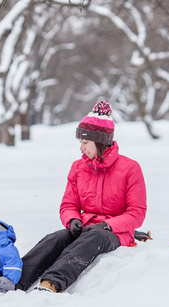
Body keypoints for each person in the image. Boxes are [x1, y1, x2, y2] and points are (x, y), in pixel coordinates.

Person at [16, 100, 147, 293]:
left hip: (114, 233)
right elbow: (68, 205)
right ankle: (15, 280)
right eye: (80, 142)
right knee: (56, 238)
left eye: (85, 142)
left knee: (95, 236)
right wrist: (73, 220)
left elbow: (137, 213)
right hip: (85, 227)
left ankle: (51, 282)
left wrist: (108, 225)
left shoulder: (130, 168)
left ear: (100, 142)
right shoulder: (78, 168)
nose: (81, 148)